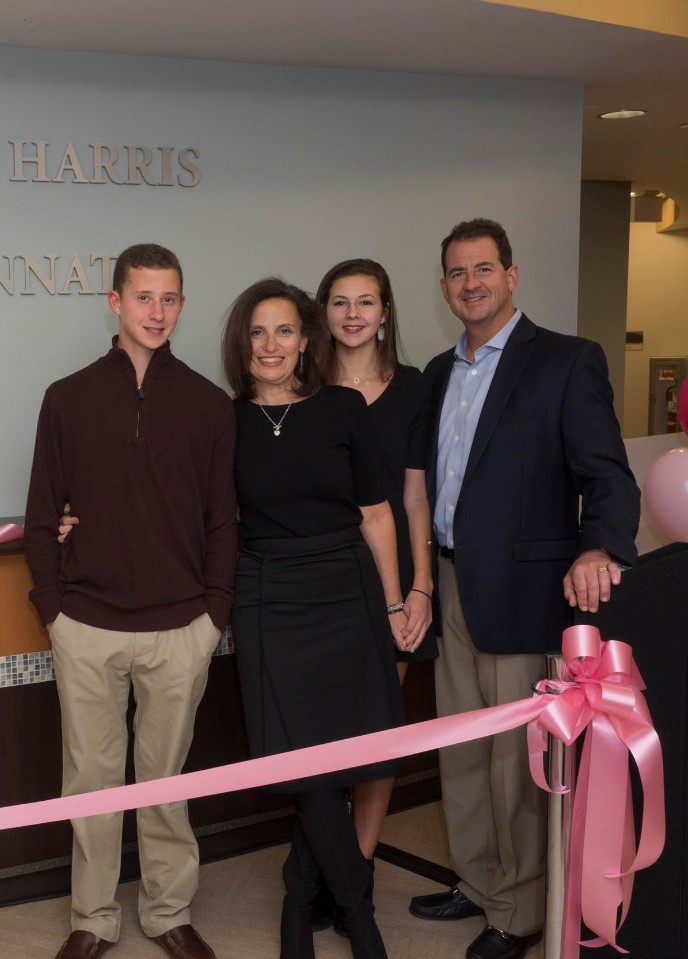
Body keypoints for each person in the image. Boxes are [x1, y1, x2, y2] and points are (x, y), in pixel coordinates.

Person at [407, 219, 640, 959]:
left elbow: (607, 473)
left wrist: (600, 543)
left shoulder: (567, 362)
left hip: (523, 589)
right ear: (443, 287)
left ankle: (522, 909)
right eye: (456, 272)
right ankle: (477, 885)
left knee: (517, 764)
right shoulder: (439, 374)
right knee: (464, 753)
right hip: (449, 580)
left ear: (512, 275)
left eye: (483, 268)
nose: (469, 282)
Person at [24, 243, 236, 959]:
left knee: (165, 780)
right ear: (114, 301)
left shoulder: (209, 405)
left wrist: (214, 615)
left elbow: (222, 521)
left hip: (182, 628)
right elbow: (39, 513)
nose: (156, 312)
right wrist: (53, 608)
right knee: (90, 781)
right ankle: (93, 916)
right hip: (85, 624)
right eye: (143, 297)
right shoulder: (67, 397)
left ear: (182, 304)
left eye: (169, 298)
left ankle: (169, 910)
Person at [225, 277, 405, 959]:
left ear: (307, 340)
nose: (271, 345)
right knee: (304, 758)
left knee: (348, 750)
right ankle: (357, 911)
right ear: (242, 345)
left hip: (345, 588)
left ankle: (300, 895)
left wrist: (393, 604)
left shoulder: (343, 406)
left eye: (285, 331)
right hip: (268, 591)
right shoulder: (227, 420)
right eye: (258, 332)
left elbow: (378, 512)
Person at [313, 259, 436, 927]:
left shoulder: (413, 387)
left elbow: (415, 496)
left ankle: (356, 868)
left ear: (385, 312)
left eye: (366, 301)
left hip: (395, 587)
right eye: (339, 301)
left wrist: (420, 586)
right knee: (326, 735)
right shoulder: (300, 386)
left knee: (378, 733)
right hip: (322, 584)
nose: (353, 313)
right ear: (323, 313)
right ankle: (325, 866)